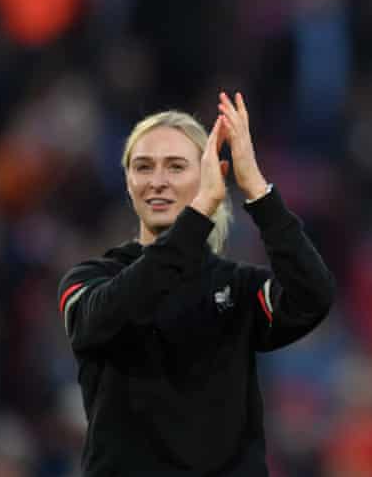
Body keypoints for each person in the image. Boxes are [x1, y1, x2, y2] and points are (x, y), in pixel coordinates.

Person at [57, 92, 335, 476]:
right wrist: (199, 212)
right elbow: (106, 316)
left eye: (175, 167)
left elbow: (314, 296)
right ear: (127, 182)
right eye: (143, 167)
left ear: (211, 176)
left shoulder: (238, 289)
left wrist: (256, 188)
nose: (157, 181)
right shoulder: (89, 280)